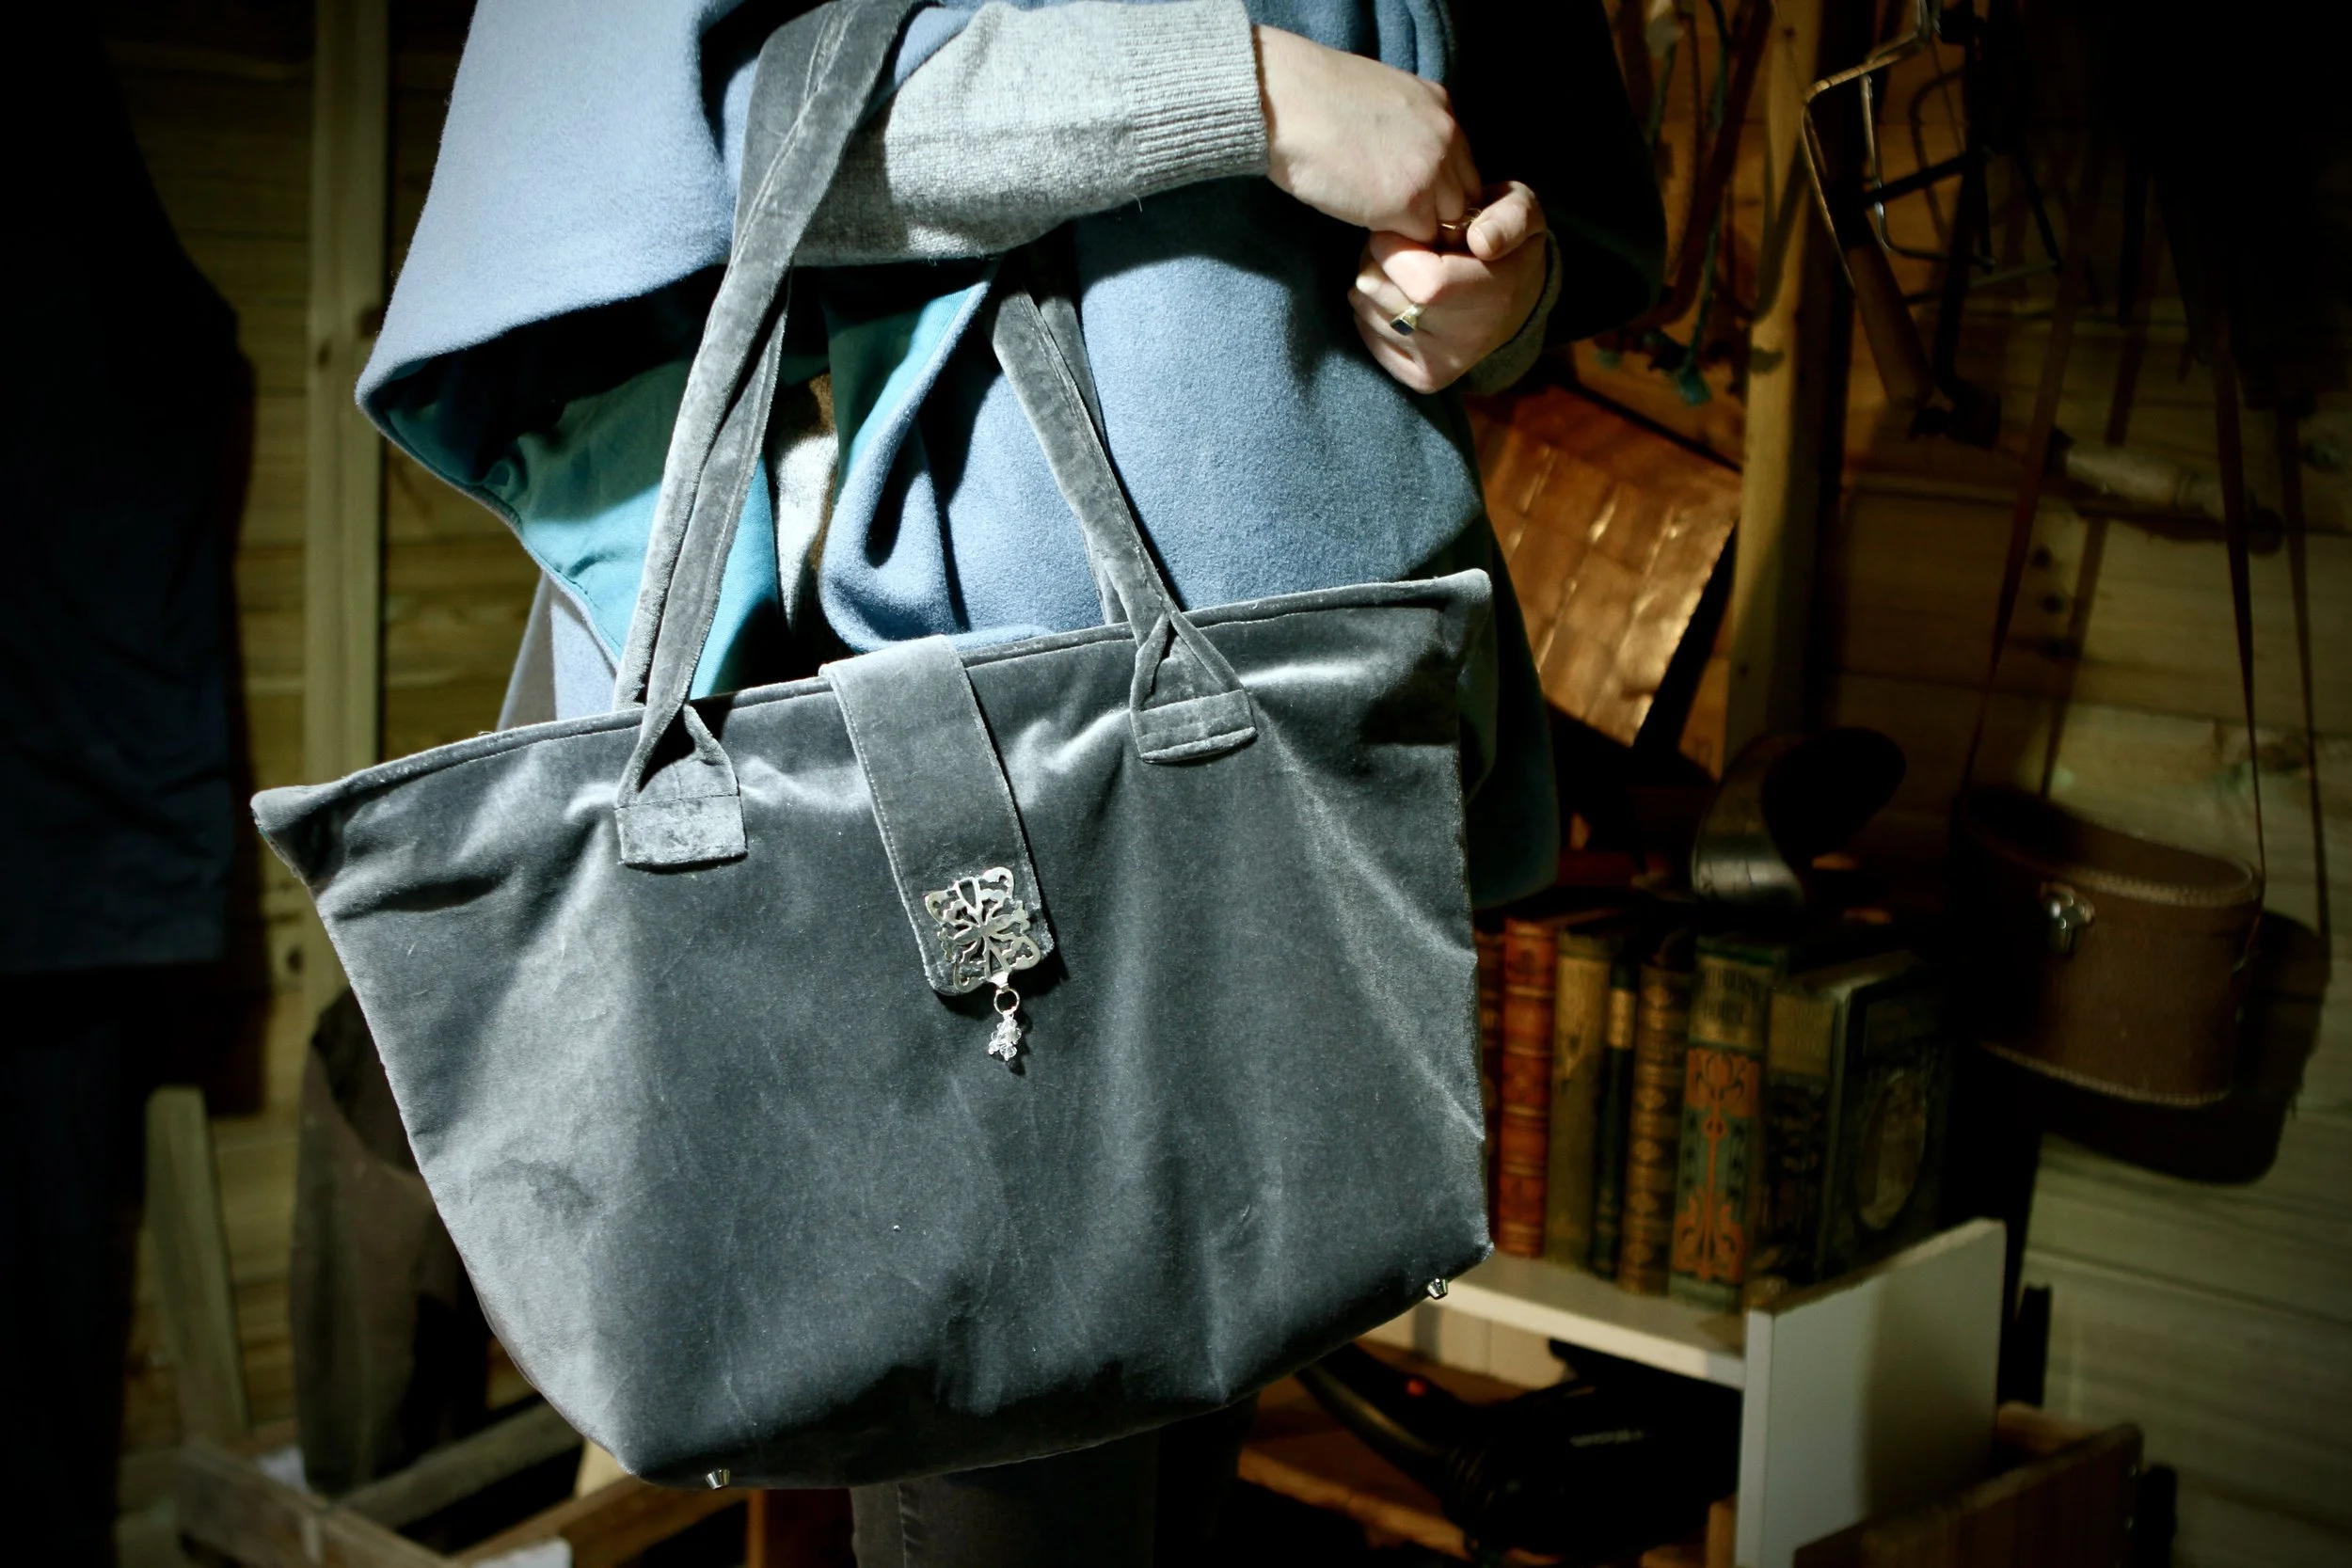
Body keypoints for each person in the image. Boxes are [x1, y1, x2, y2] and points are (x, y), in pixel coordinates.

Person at [360, 2, 1661, 1562]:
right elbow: (741, 147)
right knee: (1025, 1470)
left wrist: (1495, 295)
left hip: (1296, 727)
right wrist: (1244, 96)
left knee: (1188, 1443)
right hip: (976, 733)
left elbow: (1513, 179)